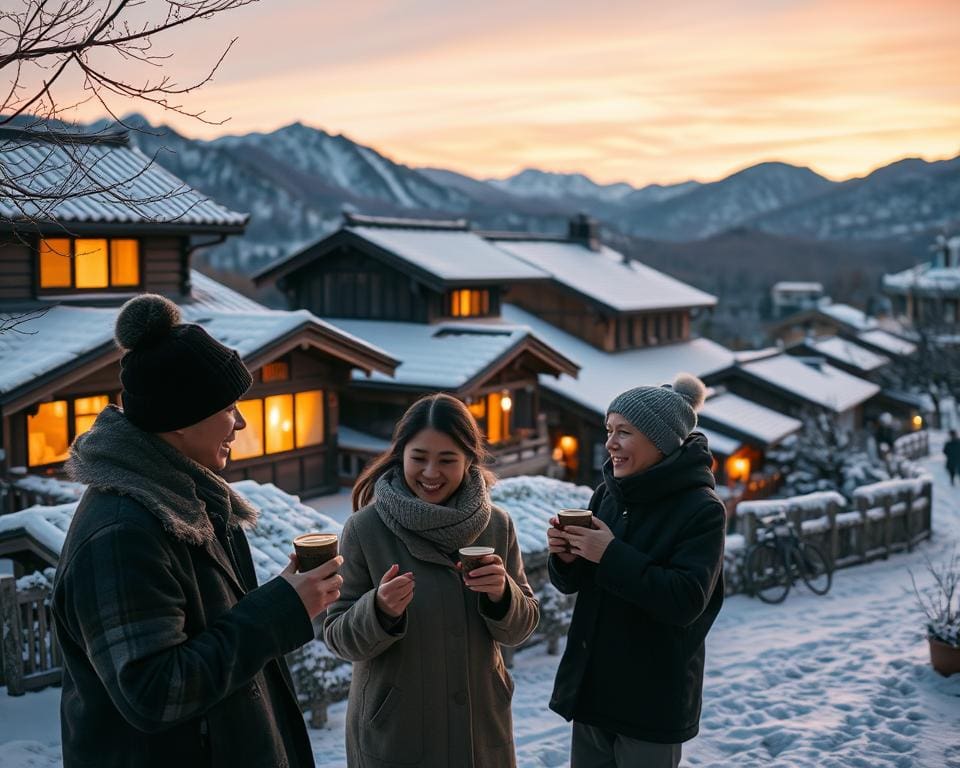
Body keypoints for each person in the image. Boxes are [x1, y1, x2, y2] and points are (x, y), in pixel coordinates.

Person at [51, 294, 343, 768]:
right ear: (181, 419)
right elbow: (156, 692)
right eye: (229, 407)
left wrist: (286, 594)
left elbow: (212, 634)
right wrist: (281, 610)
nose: (241, 421)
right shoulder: (123, 534)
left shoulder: (185, 498)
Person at [324, 393, 539, 768]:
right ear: (400, 455)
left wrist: (503, 595)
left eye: (447, 460)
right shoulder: (365, 529)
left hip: (479, 726)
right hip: (397, 732)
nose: (430, 473)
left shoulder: (497, 525)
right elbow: (339, 637)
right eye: (419, 458)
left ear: (469, 460)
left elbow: (520, 629)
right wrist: (379, 610)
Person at [547, 373, 726, 768]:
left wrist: (609, 554)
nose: (609, 443)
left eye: (623, 432)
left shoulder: (701, 509)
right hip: (593, 690)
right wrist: (566, 557)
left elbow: (685, 601)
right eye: (609, 430)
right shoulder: (607, 493)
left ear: (660, 440)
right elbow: (573, 584)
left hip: (651, 703)